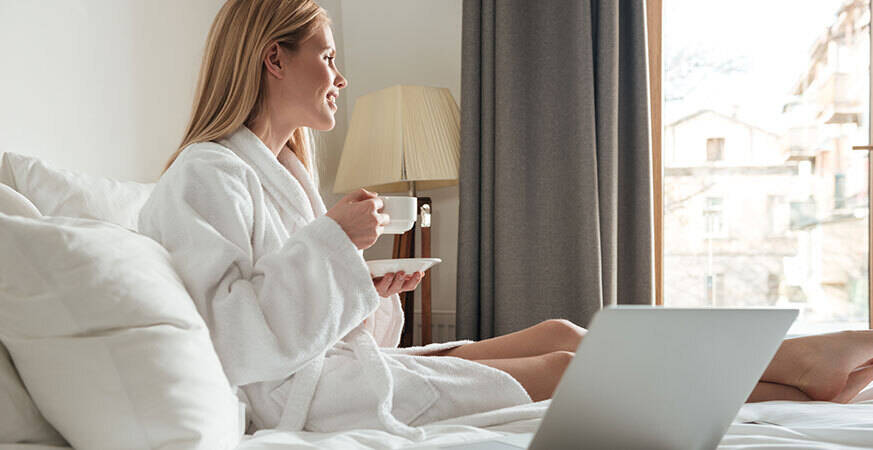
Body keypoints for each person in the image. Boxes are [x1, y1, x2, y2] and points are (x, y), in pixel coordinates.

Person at [138, 0, 873, 438]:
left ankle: (794, 373)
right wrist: (333, 244)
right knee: (563, 369)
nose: (340, 76)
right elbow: (234, 342)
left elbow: (309, 316)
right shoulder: (204, 176)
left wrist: (373, 290)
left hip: (337, 369)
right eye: (327, 57)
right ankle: (794, 373)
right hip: (303, 399)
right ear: (273, 58)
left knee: (564, 334)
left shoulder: (286, 175)